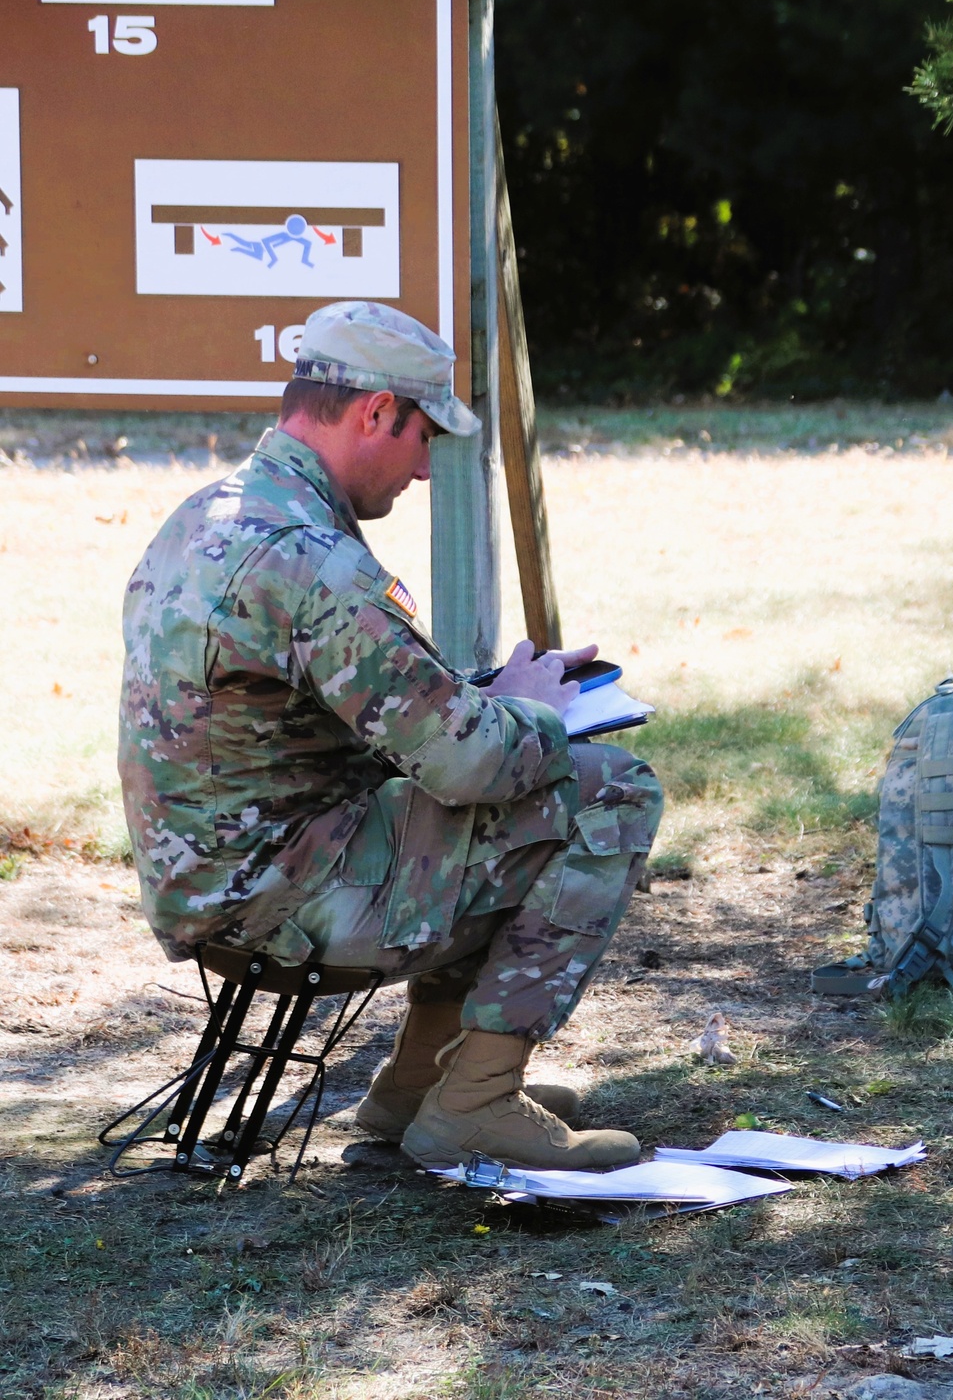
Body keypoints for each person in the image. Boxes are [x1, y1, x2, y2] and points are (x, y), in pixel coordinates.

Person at [118, 300, 663, 1171]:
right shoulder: (311, 558)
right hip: (279, 900)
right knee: (610, 789)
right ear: (374, 411)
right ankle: (474, 1101)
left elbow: (326, 721)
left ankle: (417, 1089)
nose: (421, 470)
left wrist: (493, 695)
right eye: (421, 438)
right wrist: (531, 710)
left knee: (471, 798)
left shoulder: (211, 516)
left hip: (218, 879)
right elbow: (472, 761)